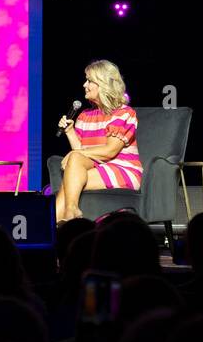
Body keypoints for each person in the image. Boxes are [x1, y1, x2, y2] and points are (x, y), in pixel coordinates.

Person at [54, 59, 141, 224]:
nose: (84, 85)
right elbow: (82, 155)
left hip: (122, 170)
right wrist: (70, 132)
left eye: (89, 81)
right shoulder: (85, 115)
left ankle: (67, 216)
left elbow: (110, 151)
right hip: (97, 167)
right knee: (72, 176)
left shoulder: (124, 113)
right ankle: (59, 224)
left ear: (103, 84)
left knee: (70, 182)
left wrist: (75, 154)